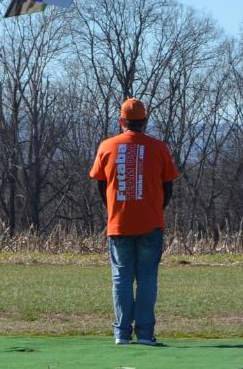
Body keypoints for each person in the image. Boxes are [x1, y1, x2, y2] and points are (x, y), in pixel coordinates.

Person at [89, 97, 179, 346]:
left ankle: (121, 333)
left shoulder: (107, 146)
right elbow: (168, 187)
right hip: (151, 222)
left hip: (119, 223)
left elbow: (100, 185)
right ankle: (146, 334)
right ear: (145, 121)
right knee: (147, 277)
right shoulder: (159, 148)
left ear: (121, 121)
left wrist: (115, 209)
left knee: (122, 277)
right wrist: (154, 210)